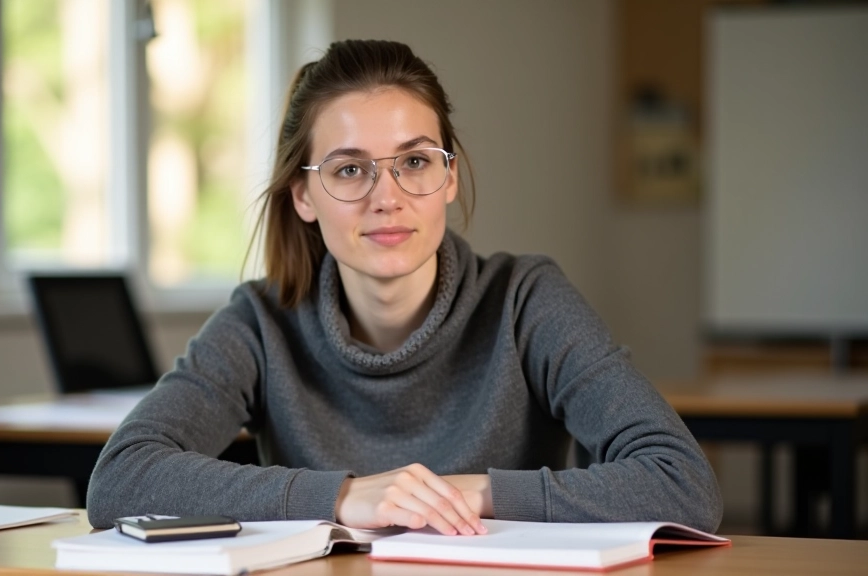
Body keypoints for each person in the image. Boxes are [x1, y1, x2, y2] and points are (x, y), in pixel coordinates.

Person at [87, 39, 722, 536]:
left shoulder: (526, 299)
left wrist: (469, 491)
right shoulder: (260, 321)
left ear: (449, 177)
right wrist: (342, 495)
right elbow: (120, 477)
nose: (386, 197)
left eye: (415, 161)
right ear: (303, 195)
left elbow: (683, 483)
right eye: (349, 169)